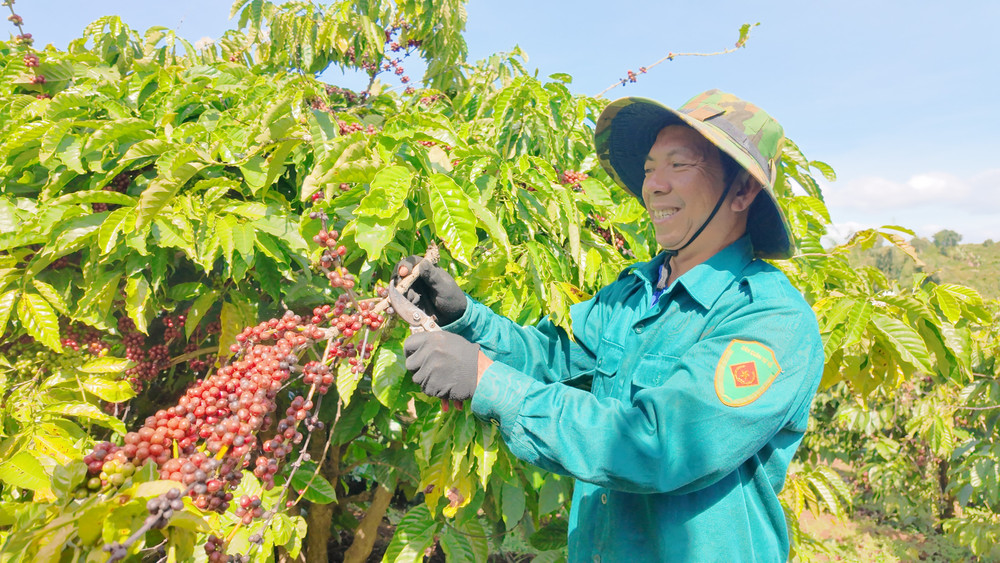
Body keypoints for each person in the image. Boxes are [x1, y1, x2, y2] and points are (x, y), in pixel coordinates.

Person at [397, 89, 825, 562]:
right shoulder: (632, 293)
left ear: (742, 190)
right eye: (648, 169)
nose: (653, 186)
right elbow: (550, 357)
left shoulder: (769, 318)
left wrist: (487, 380)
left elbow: (662, 444)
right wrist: (465, 317)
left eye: (679, 166)